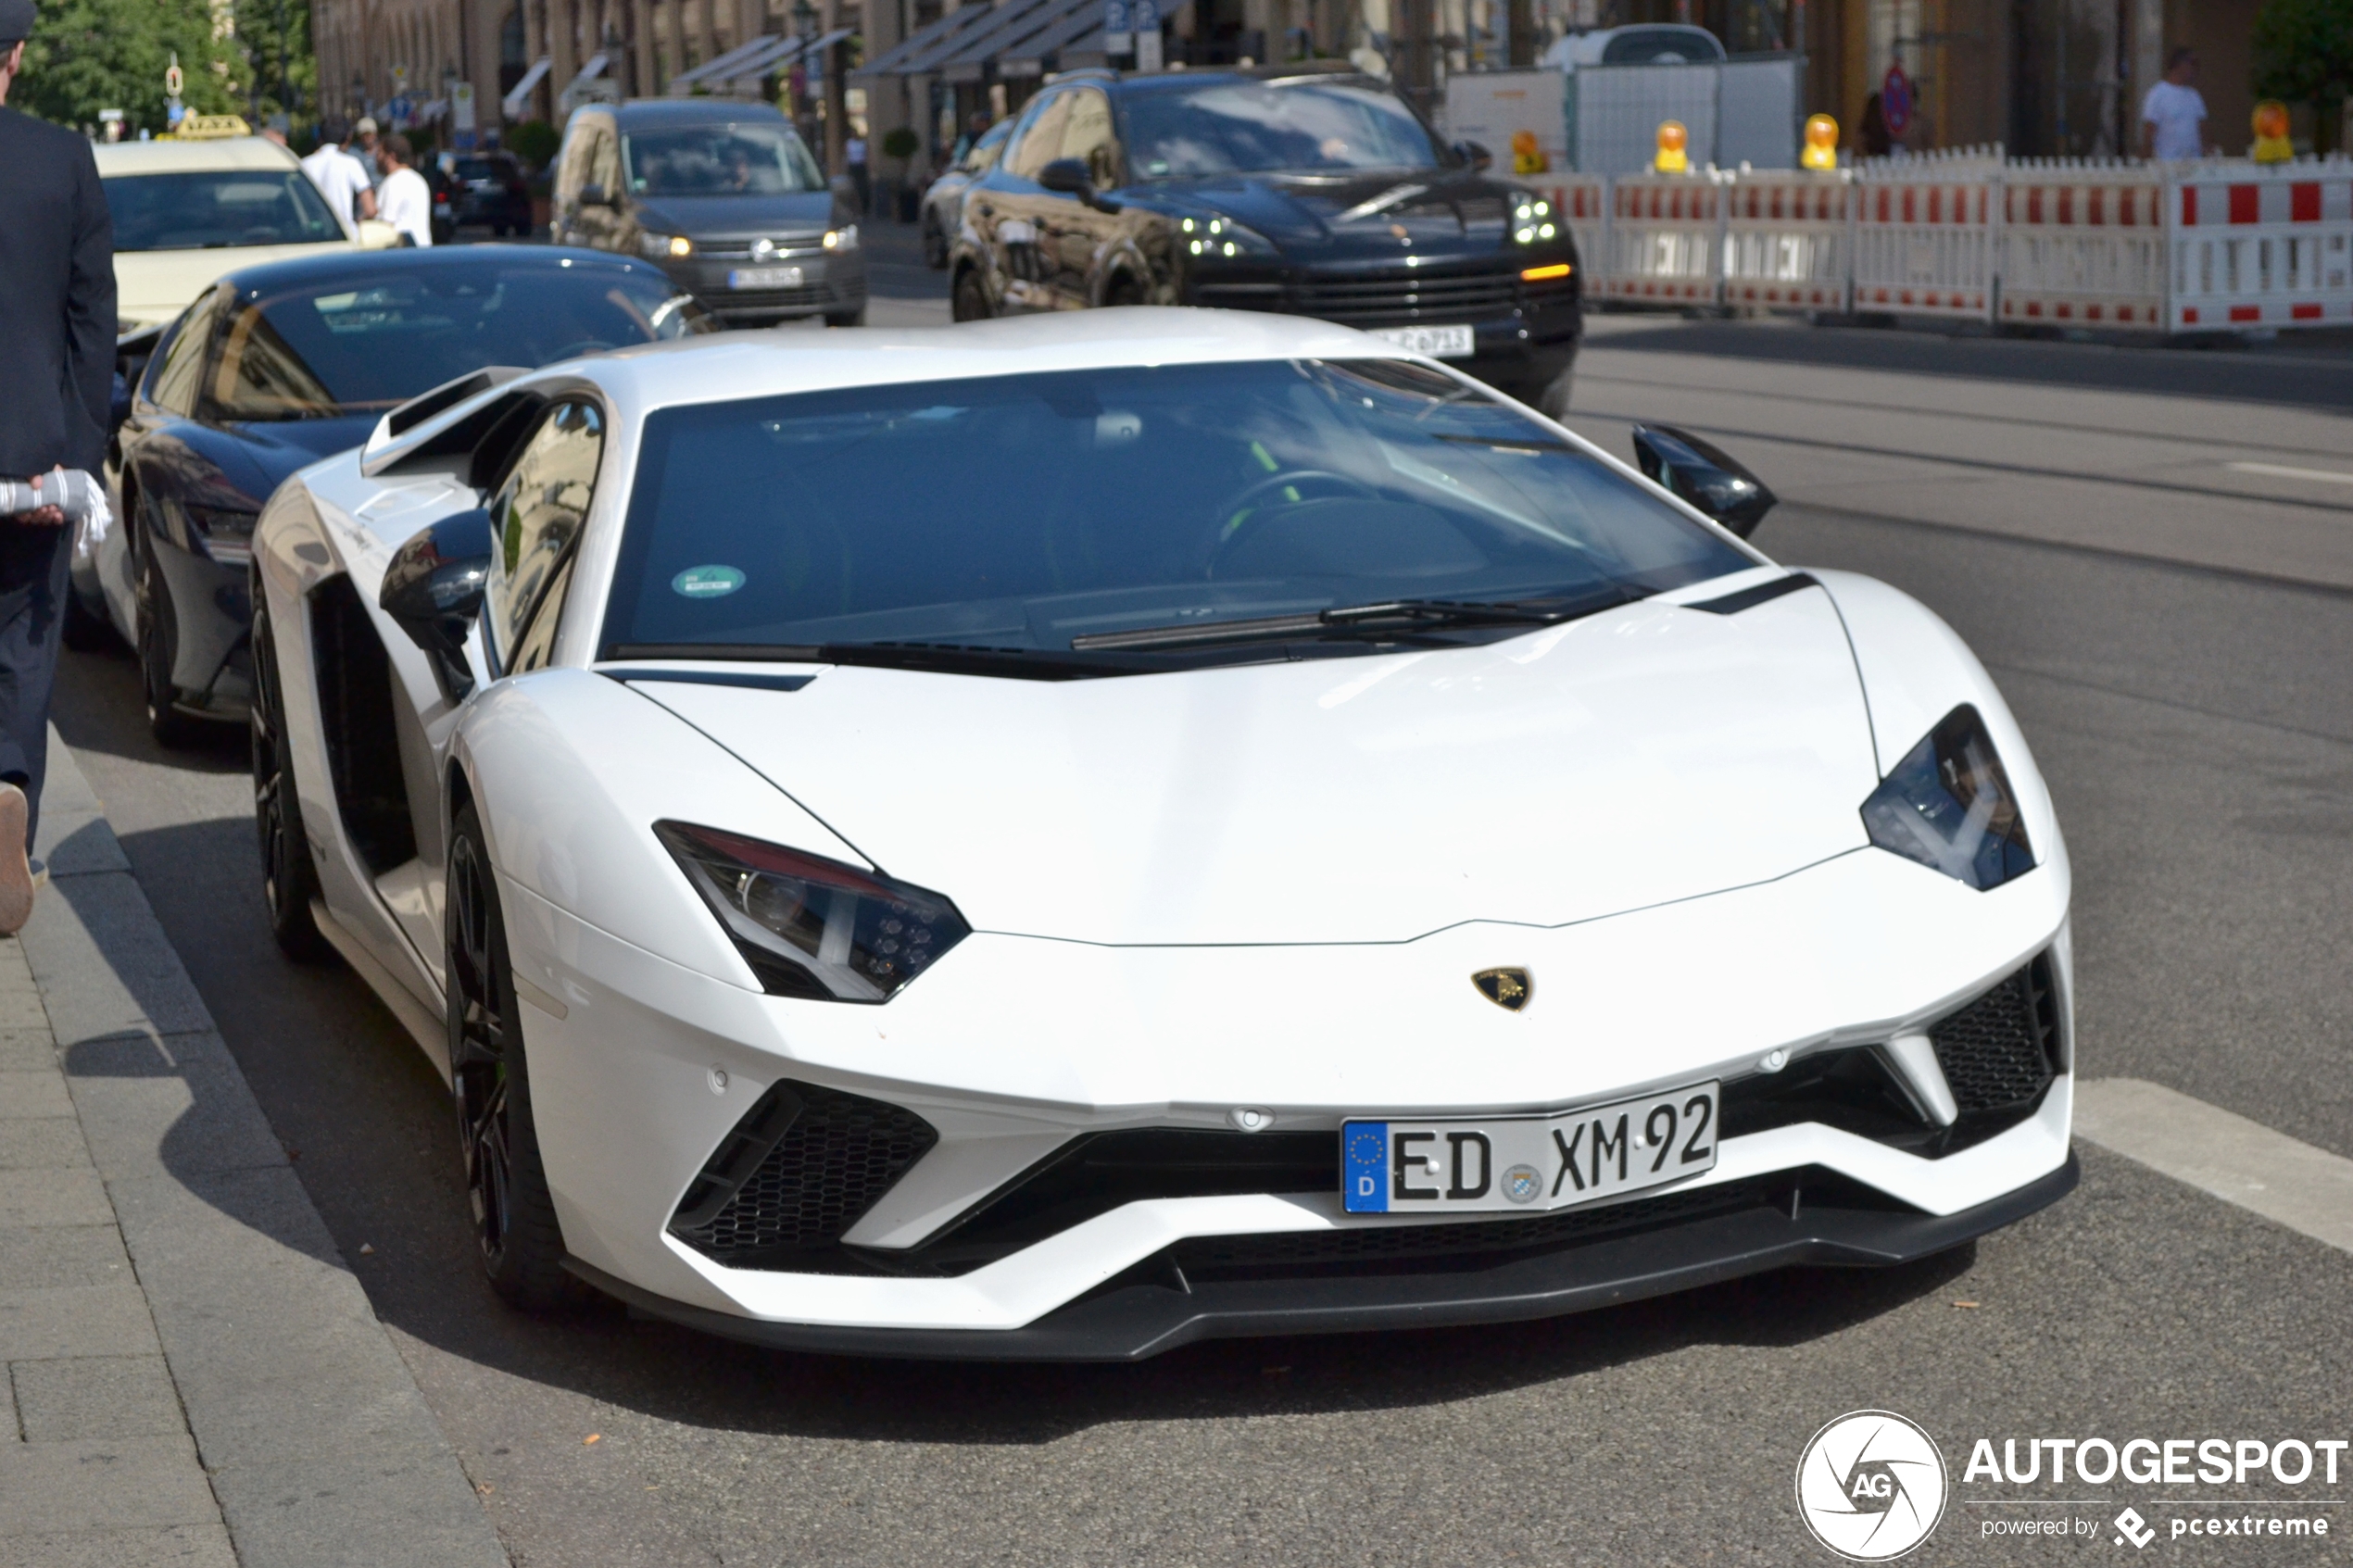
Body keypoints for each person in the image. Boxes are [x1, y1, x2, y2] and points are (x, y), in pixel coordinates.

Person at [0, 0, 114, 933]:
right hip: (31, 460)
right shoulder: (61, 159)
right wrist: (74, 463)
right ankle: (10, 791)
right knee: (24, 648)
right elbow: (91, 326)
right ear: (18, 56)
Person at [299, 118, 378, 228]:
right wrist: (357, 222)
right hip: (343, 233)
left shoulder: (304, 164)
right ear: (348, 137)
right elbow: (370, 209)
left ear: (319, 137)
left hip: (310, 233)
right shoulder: (351, 163)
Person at [2140, 47, 2207, 161]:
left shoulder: (2194, 96)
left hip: (2194, 163)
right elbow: (2149, 130)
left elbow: (2202, 127)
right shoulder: (2157, 94)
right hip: (2168, 164)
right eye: (2192, 64)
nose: (2195, 69)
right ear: (2179, 65)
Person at [374, 132, 433, 246]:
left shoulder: (392, 183)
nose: (377, 157)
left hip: (402, 254)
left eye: (380, 153)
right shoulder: (419, 180)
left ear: (391, 156)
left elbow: (387, 224)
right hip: (424, 249)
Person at [846, 129, 870, 215]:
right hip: (853, 166)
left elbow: (867, 155)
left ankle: (864, 208)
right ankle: (853, 208)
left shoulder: (862, 143)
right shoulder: (849, 143)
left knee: (862, 187)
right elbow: (847, 155)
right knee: (853, 187)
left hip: (861, 166)